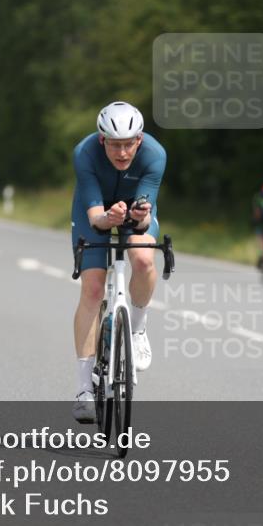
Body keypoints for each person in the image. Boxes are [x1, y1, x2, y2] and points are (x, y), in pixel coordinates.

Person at [70, 101, 166, 423]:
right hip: (94, 212)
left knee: (143, 260)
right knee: (94, 287)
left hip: (134, 209)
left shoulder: (155, 154)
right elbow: (96, 217)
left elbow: (143, 217)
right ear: (102, 140)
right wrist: (107, 218)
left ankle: (136, 330)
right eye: (114, 144)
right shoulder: (84, 153)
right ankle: (84, 389)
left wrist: (138, 218)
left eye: (128, 144)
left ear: (139, 140)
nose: (122, 153)